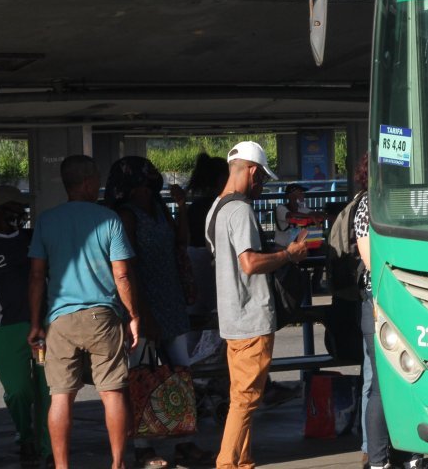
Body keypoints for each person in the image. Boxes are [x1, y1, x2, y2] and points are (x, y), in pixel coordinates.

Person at [27, 155, 141, 469]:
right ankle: (117, 464)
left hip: (60, 320)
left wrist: (36, 323)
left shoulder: (47, 221)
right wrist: (133, 315)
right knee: (112, 392)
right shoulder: (109, 219)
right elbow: (121, 274)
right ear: (90, 183)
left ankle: (63, 467)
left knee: (61, 396)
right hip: (102, 318)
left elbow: (37, 275)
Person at [104, 156, 210, 469]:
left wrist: (181, 207)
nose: (147, 190)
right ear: (129, 188)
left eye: (149, 184)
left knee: (181, 372)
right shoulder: (126, 216)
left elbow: (181, 241)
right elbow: (128, 266)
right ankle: (143, 446)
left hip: (171, 300)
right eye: (141, 185)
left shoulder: (160, 209)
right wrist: (141, 313)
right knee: (141, 375)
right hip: (143, 306)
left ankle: (184, 441)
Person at [209, 141, 309, 469]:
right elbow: (249, 263)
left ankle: (243, 461)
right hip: (251, 317)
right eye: (261, 179)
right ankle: (227, 463)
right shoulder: (240, 210)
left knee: (242, 396)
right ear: (251, 170)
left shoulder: (216, 209)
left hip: (231, 317)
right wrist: (288, 256)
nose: (261, 186)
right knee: (246, 400)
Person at [0, 185, 50, 465]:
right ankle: (25, 433)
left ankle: (45, 447)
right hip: (7, 329)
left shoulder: (32, 238)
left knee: (46, 388)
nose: (22, 214)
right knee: (18, 390)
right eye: (17, 208)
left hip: (43, 328)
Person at [355, 161, 423, 469]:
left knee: (405, 381)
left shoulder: (399, 201)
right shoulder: (370, 205)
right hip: (382, 303)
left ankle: (406, 453)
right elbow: (372, 263)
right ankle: (379, 460)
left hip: (403, 303)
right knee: (382, 388)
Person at [186, 153, 230, 319]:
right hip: (211, 262)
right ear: (221, 180)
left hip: (193, 260)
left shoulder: (194, 207)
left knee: (196, 319)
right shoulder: (222, 206)